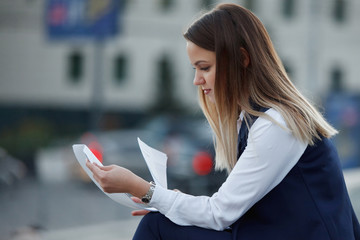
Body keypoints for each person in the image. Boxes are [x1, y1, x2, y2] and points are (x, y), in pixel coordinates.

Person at [86, 3, 360, 239]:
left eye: (204, 68)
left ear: (241, 59)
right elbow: (228, 209)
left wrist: (143, 189)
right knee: (162, 222)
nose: (197, 80)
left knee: (157, 226)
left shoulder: (277, 124)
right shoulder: (254, 120)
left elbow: (220, 213)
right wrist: (167, 202)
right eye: (195, 69)